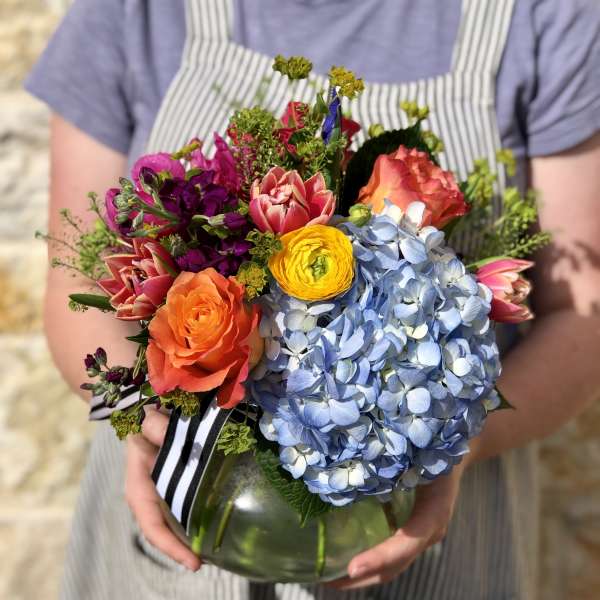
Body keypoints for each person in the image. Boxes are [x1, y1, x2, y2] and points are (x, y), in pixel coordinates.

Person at [27, 0, 600, 598]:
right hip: (173, 528)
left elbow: (582, 314)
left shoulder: (541, 16)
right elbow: (76, 281)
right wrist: (150, 428)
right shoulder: (137, 10)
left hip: (424, 533)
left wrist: (446, 446)